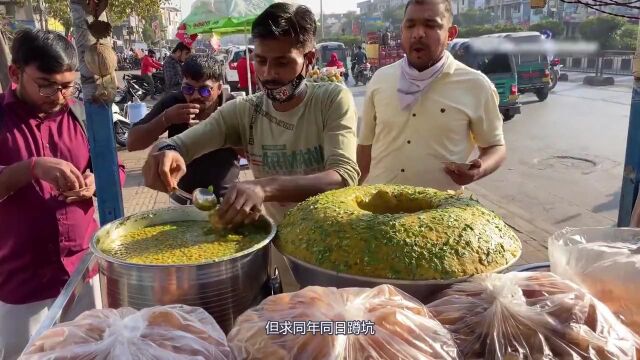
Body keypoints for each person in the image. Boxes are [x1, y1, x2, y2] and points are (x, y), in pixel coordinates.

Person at [141, 2, 359, 227]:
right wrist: (164, 153)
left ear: (309, 59)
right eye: (261, 61)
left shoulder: (331, 99)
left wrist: (264, 187)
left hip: (333, 242)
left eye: (283, 62)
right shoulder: (245, 111)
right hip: (280, 240)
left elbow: (343, 177)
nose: (268, 73)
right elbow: (179, 145)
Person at [0, 29, 126, 359]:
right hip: (21, 283)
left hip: (83, 271)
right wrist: (31, 167)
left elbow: (115, 168)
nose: (58, 95)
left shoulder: (81, 115)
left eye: (67, 86)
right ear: (16, 73)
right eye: (46, 84)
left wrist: (95, 181)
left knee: (92, 351)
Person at [357, 0, 506, 190]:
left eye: (430, 25)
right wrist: (348, 195)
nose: (418, 33)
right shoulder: (380, 79)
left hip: (440, 215)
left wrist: (478, 169)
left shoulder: (476, 85)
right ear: (402, 30)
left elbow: (495, 146)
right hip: (379, 211)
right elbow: (365, 148)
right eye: (410, 25)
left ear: (450, 34)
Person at [128, 55, 239, 203]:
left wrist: (223, 132)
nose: (195, 96)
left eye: (204, 91)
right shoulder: (174, 103)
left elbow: (254, 151)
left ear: (219, 88)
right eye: (188, 88)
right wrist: (166, 119)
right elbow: (132, 143)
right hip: (182, 199)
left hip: (225, 201)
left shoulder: (232, 106)